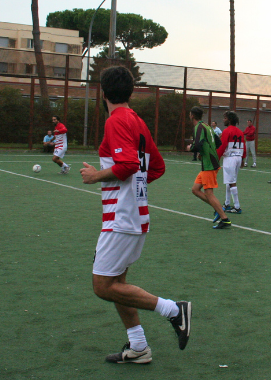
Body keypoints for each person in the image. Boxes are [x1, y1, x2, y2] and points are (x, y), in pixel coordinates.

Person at [79, 66, 190, 365]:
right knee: (119, 284)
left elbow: (127, 165)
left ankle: (173, 310)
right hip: (135, 215)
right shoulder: (138, 122)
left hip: (122, 217)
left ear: (103, 93)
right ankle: (139, 347)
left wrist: (96, 176)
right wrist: (134, 188)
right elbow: (156, 168)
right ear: (130, 91)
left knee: (103, 286)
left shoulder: (116, 120)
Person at [186, 107, 231, 229]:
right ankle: (218, 208)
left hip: (209, 165)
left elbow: (198, 144)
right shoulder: (207, 126)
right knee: (195, 189)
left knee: (209, 193)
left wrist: (191, 148)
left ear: (192, 115)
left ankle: (224, 218)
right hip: (209, 163)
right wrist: (205, 151)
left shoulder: (198, 127)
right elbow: (218, 143)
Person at [218, 111, 246, 215]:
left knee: (231, 182)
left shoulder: (226, 131)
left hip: (230, 158)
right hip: (238, 157)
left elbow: (222, 145)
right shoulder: (240, 131)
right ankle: (227, 203)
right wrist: (243, 158)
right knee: (229, 180)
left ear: (229, 119)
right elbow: (243, 145)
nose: (223, 120)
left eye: (225, 118)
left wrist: (216, 158)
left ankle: (237, 206)